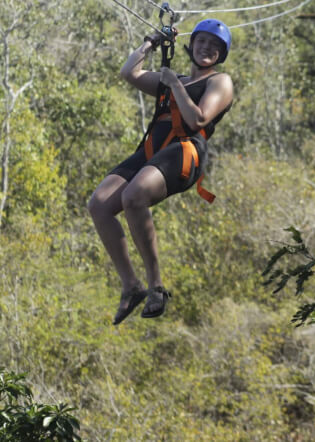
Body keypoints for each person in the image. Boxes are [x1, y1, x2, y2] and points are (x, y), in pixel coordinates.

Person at [87, 19, 234, 325]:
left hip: (185, 152)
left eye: (214, 47)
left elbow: (198, 120)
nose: (206, 49)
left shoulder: (219, 82)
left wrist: (175, 84)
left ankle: (156, 286)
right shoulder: (171, 80)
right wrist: (152, 42)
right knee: (99, 205)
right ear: (191, 45)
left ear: (221, 55)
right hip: (152, 151)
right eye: (202, 42)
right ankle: (131, 285)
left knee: (134, 195)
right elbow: (129, 72)